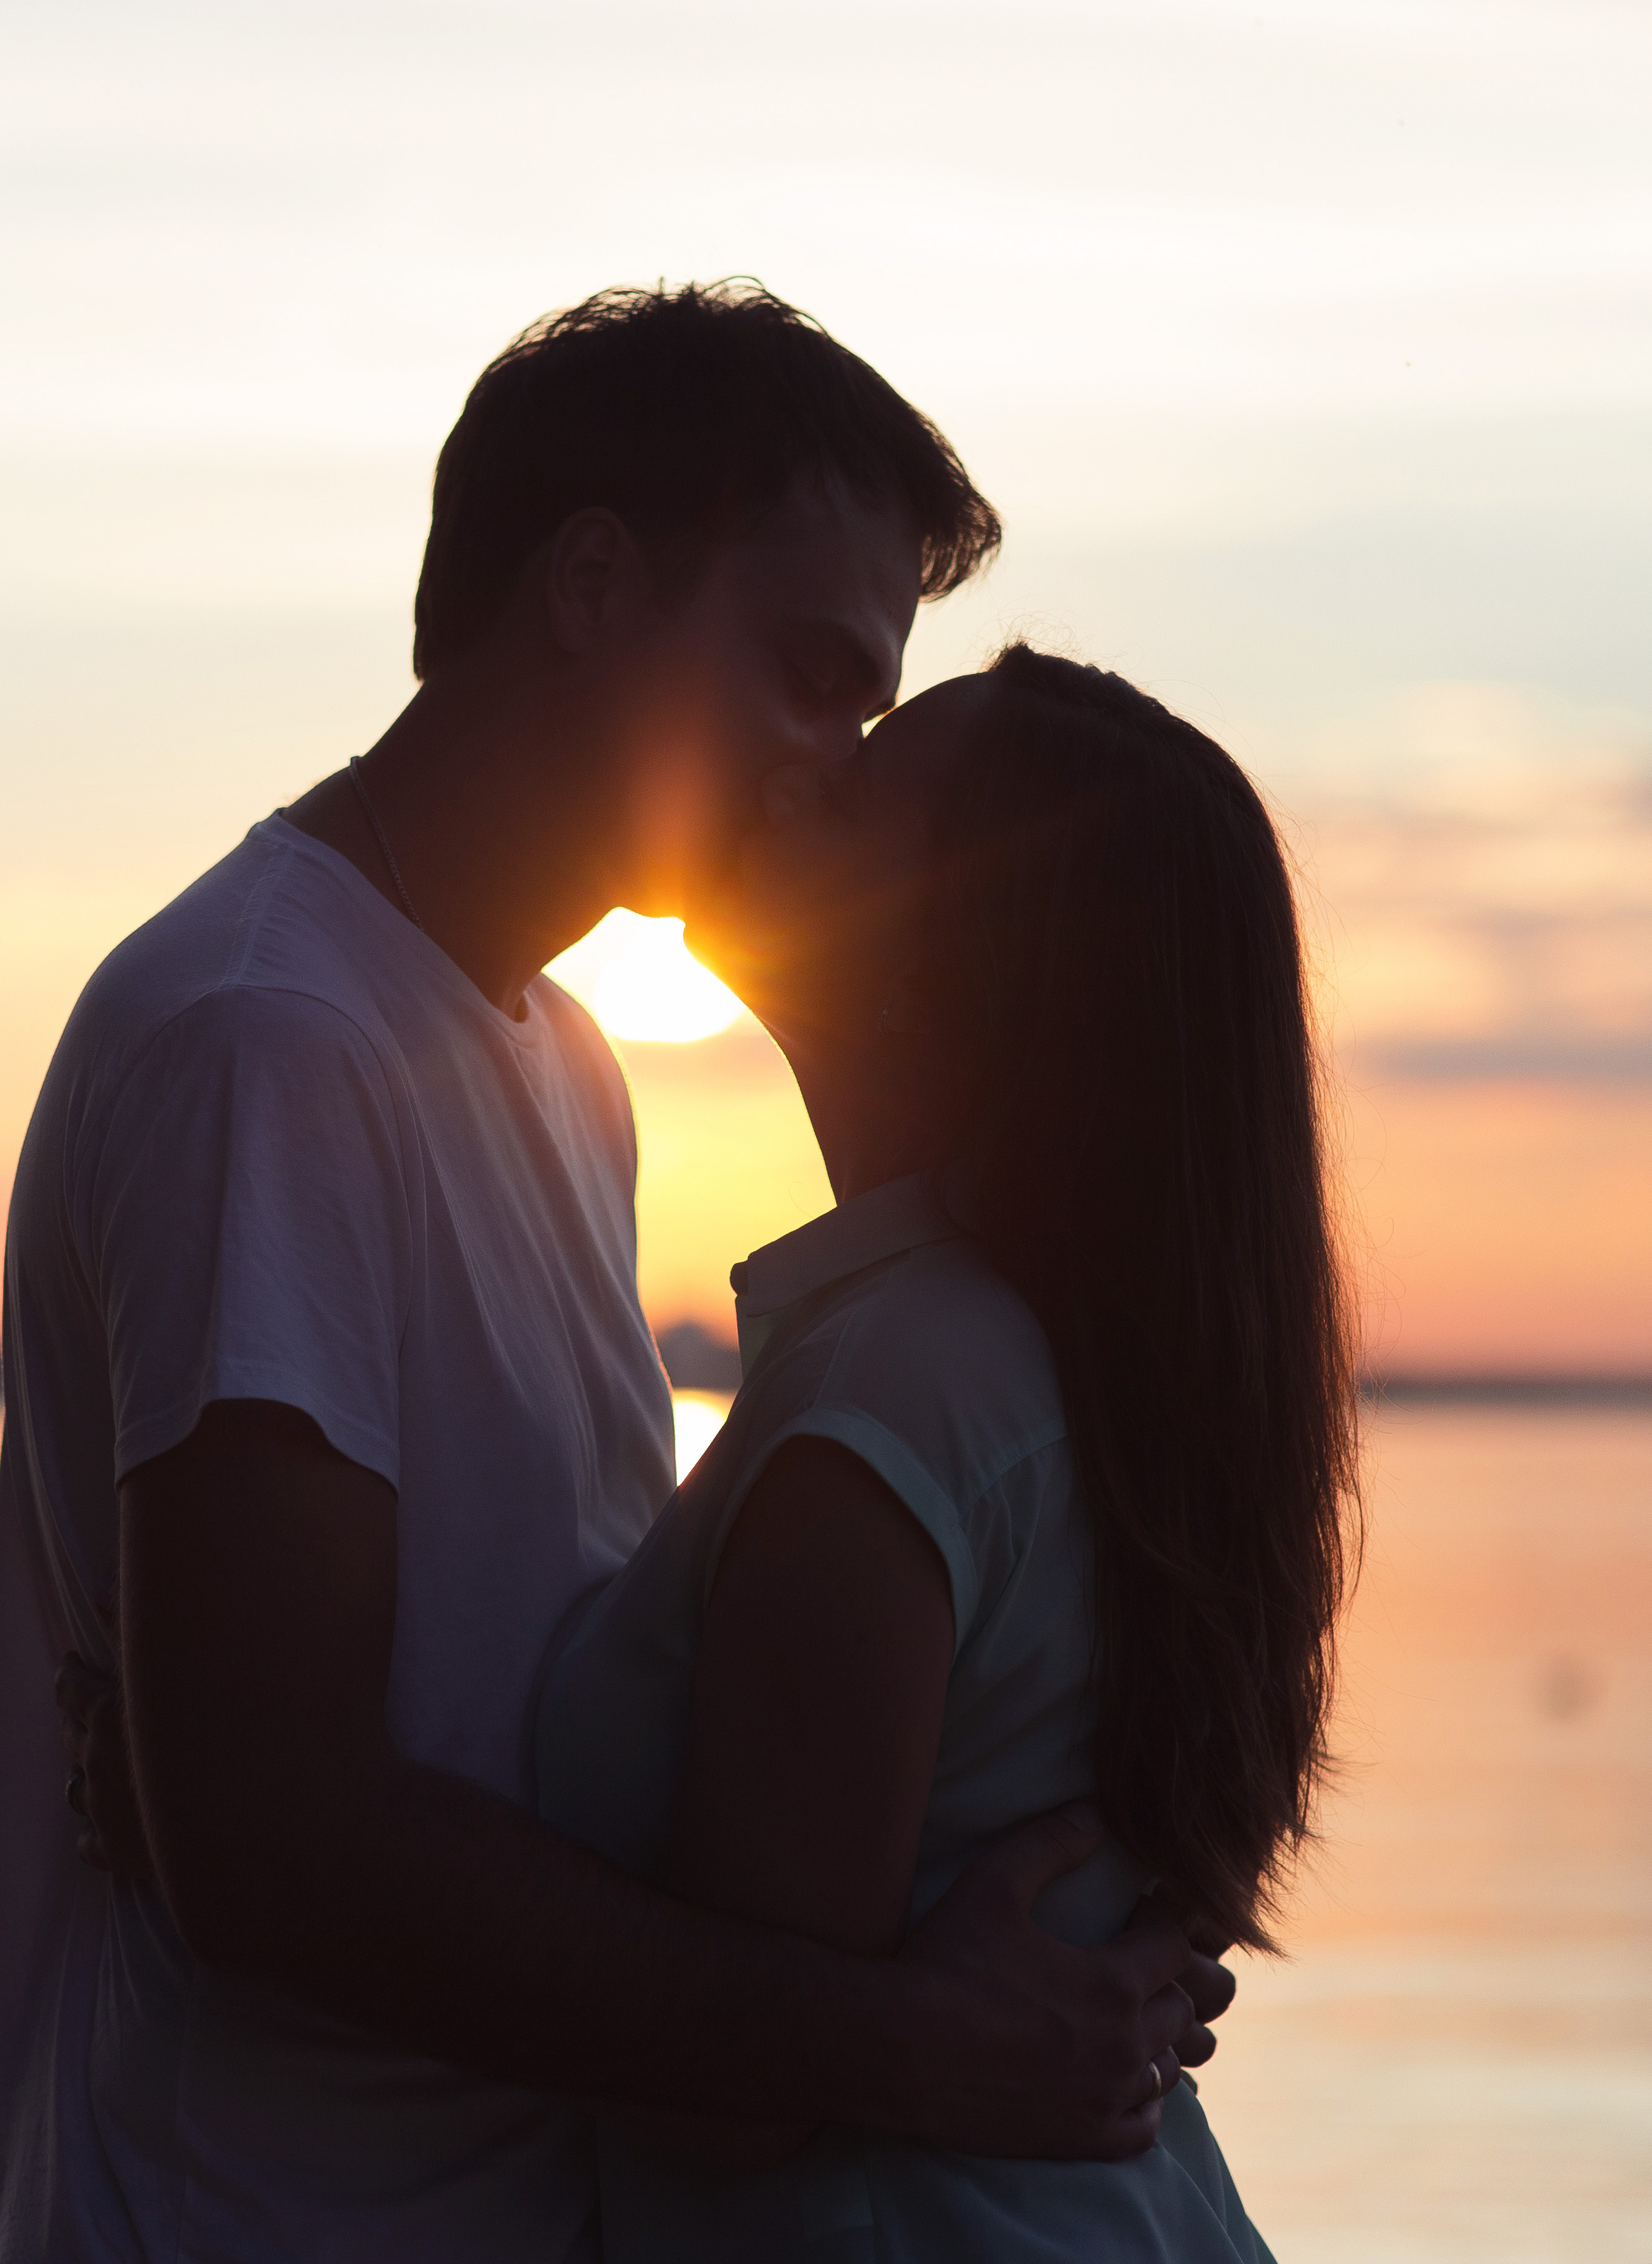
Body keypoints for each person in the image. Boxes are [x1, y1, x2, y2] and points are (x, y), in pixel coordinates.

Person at [0, 284, 1227, 2264]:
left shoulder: (567, 1064)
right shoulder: (263, 1040)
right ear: (590, 584)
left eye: (875, 713)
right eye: (811, 675)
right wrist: (908, 2043)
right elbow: (275, 1846)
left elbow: (511, 1703)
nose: (838, 763)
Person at [532, 645, 1356, 2259]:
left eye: (863, 784)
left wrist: (284, 1857)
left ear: (968, 951)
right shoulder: (1065, 1372)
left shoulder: (897, 1395)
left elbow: (732, 2084)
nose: (794, 772)